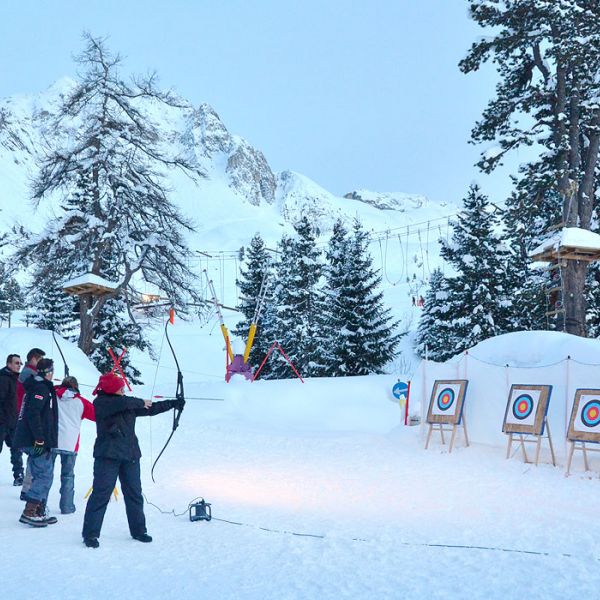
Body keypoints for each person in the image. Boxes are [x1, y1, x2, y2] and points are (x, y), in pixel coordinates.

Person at [82, 372, 184, 548]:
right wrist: (140, 401)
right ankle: (90, 534)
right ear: (112, 389)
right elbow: (123, 403)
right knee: (101, 494)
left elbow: (150, 409)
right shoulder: (102, 402)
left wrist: (173, 404)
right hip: (108, 456)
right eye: (120, 386)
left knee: (134, 494)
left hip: (130, 455)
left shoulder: (126, 402)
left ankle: (139, 531)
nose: (123, 389)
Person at [13, 358, 58, 527]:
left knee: (41, 474)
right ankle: (30, 511)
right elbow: (33, 413)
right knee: (44, 475)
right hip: (34, 440)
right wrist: (40, 438)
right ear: (47, 372)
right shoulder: (40, 388)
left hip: (32, 438)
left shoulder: (38, 386)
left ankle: (38, 510)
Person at [52, 376, 95, 514]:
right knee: (68, 476)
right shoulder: (81, 402)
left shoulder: (53, 396)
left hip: (52, 441)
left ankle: (39, 504)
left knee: (45, 475)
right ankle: (67, 507)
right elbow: (96, 415)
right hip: (71, 444)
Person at [16, 348, 45, 497]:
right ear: (34, 358)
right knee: (34, 455)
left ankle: (27, 488)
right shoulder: (30, 373)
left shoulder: (30, 373)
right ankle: (28, 489)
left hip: (24, 414)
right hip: (26, 416)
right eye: (39, 359)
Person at [0, 354, 24, 485]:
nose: (19, 365)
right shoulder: (3, 379)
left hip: (13, 421)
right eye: (16, 363)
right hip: (2, 422)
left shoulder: (15, 379)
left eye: (20, 363)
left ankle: (19, 474)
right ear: (9, 364)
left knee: (16, 448)